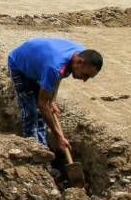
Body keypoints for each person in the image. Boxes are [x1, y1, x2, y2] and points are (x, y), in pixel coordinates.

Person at [7, 38, 103, 168]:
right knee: (30, 112)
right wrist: (59, 137)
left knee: (41, 117)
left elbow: (60, 76)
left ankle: (43, 151)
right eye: (85, 75)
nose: (84, 80)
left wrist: (52, 100)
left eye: (89, 77)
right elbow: (42, 104)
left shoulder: (78, 55)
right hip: (19, 65)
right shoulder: (54, 66)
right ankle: (32, 158)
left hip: (39, 65)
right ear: (80, 62)